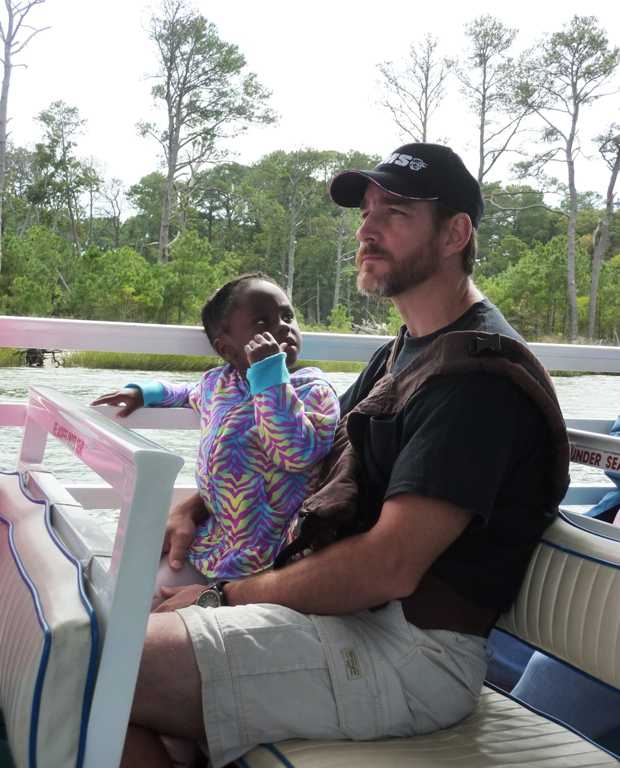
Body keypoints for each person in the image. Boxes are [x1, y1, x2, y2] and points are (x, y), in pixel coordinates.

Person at [120, 144, 568, 768]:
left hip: (411, 656)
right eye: (366, 211)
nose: (367, 228)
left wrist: (222, 596)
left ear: (454, 234)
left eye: (397, 212)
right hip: (349, 614)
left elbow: (390, 565)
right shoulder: (404, 352)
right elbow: (317, 459)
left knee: (102, 666)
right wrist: (197, 504)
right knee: (98, 632)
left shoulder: (478, 380)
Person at [92, 273, 340, 596]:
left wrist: (269, 377)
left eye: (287, 316)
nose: (282, 327)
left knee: (146, 607)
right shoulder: (219, 385)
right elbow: (186, 393)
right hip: (217, 540)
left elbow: (294, 452)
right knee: (127, 590)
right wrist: (146, 392)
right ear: (226, 348)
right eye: (263, 321)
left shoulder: (312, 390)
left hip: (268, 553)